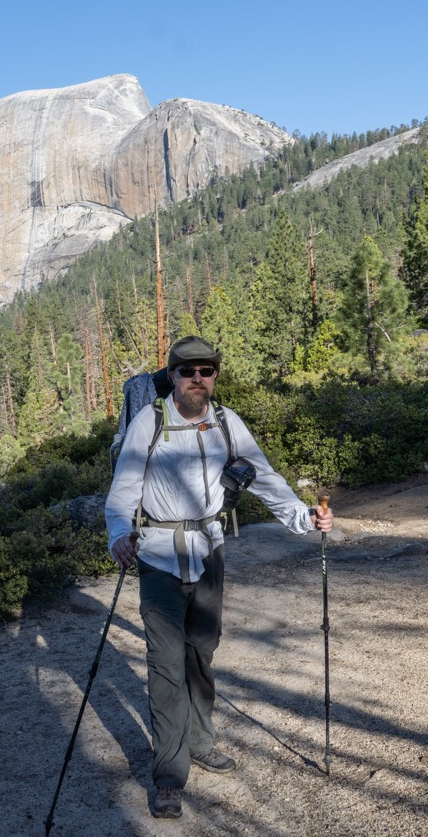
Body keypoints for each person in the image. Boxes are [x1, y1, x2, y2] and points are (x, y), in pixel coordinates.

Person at [105, 335, 333, 819]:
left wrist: (304, 518)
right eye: (187, 371)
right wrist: (120, 534)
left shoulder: (227, 423)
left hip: (210, 553)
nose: (197, 379)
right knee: (166, 664)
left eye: (206, 371)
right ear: (171, 375)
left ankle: (201, 740)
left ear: (215, 376)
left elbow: (267, 480)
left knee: (202, 653)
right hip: (158, 557)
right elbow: (122, 490)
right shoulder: (149, 422)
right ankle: (169, 775)